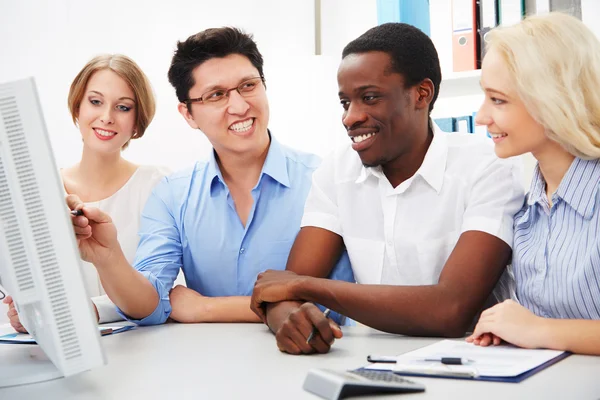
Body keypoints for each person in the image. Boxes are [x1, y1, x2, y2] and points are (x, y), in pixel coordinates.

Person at [249, 22, 525, 355]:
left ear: (421, 94)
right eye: (345, 103)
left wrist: (303, 287)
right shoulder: (337, 171)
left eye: (369, 98)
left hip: (475, 364)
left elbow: (451, 310)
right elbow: (282, 294)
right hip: (369, 362)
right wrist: (289, 318)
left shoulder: (486, 167)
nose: (350, 118)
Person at [67, 27, 353, 329]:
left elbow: (329, 306)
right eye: (216, 95)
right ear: (188, 114)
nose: (240, 106)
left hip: (311, 364)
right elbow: (149, 306)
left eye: (248, 86)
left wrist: (204, 308)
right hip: (209, 371)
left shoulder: (322, 181)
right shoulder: (171, 195)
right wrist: (108, 257)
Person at [465, 13, 600, 356]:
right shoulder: (530, 208)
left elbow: (543, 329)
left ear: (552, 101)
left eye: (498, 100)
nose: (482, 117)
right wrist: (507, 328)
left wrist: (540, 330)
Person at [4, 54, 169, 331]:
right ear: (77, 109)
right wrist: (27, 312)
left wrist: (91, 310)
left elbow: (162, 293)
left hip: (143, 351)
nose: (106, 117)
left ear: (137, 122)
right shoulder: (40, 192)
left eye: (123, 107)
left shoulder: (157, 185)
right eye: (95, 102)